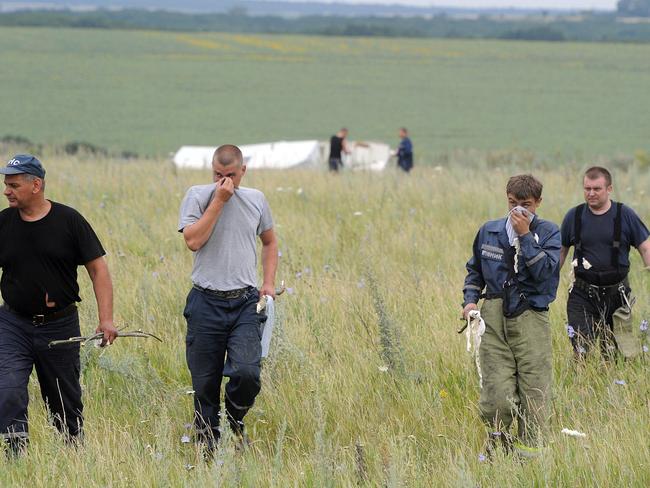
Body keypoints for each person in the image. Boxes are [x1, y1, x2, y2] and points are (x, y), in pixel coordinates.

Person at [0, 154, 117, 457]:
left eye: (13, 185)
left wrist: (107, 320)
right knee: (8, 389)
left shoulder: (69, 221)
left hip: (59, 325)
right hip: (13, 323)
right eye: (5, 185)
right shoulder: (3, 223)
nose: (6, 191)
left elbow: (98, 270)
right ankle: (17, 457)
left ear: (36, 185)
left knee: (64, 399)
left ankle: (73, 454)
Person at [178, 144, 278, 453]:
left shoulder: (256, 200)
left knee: (248, 373)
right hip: (205, 301)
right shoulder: (198, 195)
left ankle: (235, 420)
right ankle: (208, 447)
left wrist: (269, 284)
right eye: (218, 175)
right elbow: (193, 240)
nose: (225, 182)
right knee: (205, 384)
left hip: (246, 302)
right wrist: (219, 201)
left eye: (231, 175)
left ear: (243, 171)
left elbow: (270, 242)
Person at [462, 174, 560, 457]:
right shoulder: (489, 231)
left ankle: (530, 458)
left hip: (531, 317)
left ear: (538, 203)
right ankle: (497, 449)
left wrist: (526, 236)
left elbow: (544, 273)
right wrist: (469, 302)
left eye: (526, 204)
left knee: (535, 391)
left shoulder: (549, 233)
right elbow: (475, 271)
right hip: (492, 317)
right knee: (497, 393)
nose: (518, 210)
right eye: (513, 203)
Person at [560, 167, 650, 359]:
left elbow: (646, 248)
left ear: (609, 189)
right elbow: (560, 253)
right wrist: (546, 284)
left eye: (596, 189)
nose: (591, 193)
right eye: (587, 188)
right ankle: (581, 385)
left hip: (616, 295)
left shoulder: (624, 214)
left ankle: (609, 384)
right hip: (582, 294)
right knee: (581, 347)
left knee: (612, 353)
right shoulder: (573, 216)